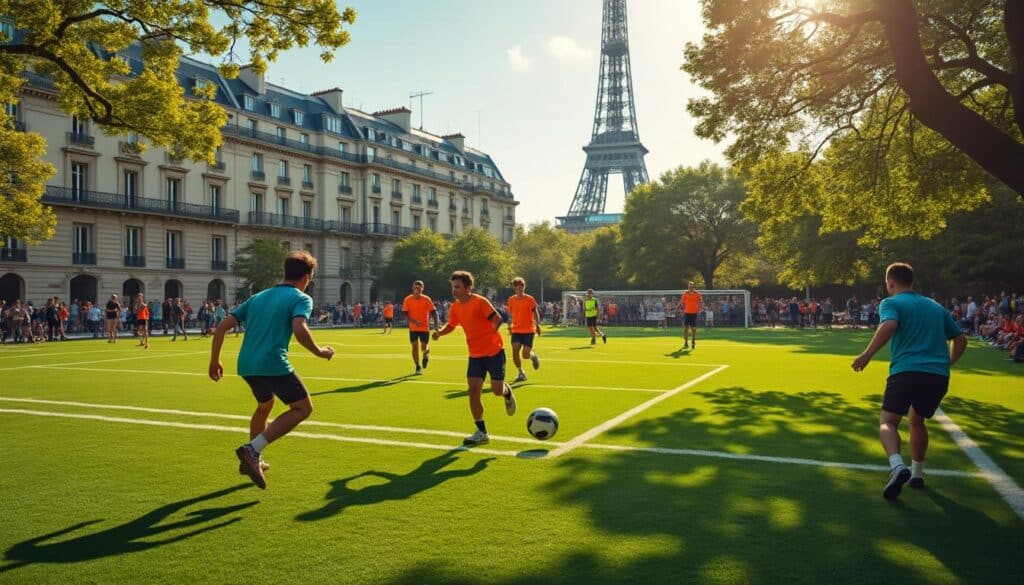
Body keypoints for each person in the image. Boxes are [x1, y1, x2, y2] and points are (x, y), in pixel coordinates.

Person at [209, 251, 334, 490]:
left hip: (247, 364)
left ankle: (254, 458)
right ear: (307, 277)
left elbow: (223, 326)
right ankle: (252, 450)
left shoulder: (259, 296)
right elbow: (299, 328)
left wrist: (214, 361)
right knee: (303, 408)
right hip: (272, 362)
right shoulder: (301, 298)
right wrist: (320, 351)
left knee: (265, 405)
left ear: (285, 272)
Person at [852, 263, 967, 500]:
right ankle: (917, 473)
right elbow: (960, 339)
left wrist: (867, 355)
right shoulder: (935, 307)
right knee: (917, 420)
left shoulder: (891, 302)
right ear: (912, 281)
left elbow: (890, 325)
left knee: (888, 421)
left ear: (890, 282)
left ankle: (897, 466)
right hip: (937, 375)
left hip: (906, 371)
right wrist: (948, 363)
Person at [432, 270, 517, 446]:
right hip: (475, 355)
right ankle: (481, 432)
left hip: (494, 352)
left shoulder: (480, 302)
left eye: (458, 287)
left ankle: (506, 392)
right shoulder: (455, 307)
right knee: (473, 390)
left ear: (468, 288)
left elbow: (498, 318)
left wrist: (491, 332)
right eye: (453, 287)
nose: (454, 290)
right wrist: (440, 332)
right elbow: (452, 324)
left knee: (496, 390)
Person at [507, 276, 542, 383]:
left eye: (522, 286)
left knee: (525, 355)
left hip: (528, 330)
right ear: (515, 288)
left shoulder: (529, 299)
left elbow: (535, 312)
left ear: (524, 287)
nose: (520, 289)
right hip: (516, 330)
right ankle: (521, 373)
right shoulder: (511, 300)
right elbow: (510, 314)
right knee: (515, 351)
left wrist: (538, 325)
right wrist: (509, 325)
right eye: (518, 287)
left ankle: (533, 356)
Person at [402, 281, 438, 375]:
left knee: (423, 347)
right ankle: (417, 366)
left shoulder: (426, 299)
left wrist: (436, 325)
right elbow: (405, 314)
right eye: (415, 287)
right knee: (414, 347)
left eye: (419, 288)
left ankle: (426, 354)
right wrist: (414, 322)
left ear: (422, 289)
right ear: (412, 288)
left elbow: (434, 312)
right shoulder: (408, 299)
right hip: (413, 328)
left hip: (424, 328)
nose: (417, 289)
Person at [679, 282, 702, 349]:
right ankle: (686, 342)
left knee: (693, 329)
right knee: (686, 329)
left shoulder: (697, 294)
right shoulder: (685, 294)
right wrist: (681, 308)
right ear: (688, 287)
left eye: (692, 286)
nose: (691, 287)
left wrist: (700, 309)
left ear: (694, 287)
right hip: (687, 313)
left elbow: (701, 302)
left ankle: (693, 340)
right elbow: (682, 302)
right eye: (689, 286)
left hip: (694, 313)